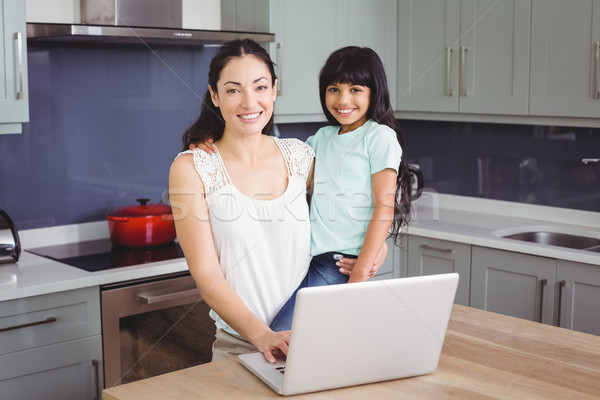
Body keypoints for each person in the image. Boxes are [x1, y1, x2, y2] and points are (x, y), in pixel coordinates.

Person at [169, 39, 382, 364]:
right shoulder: (192, 168)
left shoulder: (301, 157)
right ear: (214, 95)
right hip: (240, 348)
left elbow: (360, 210)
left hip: (314, 339)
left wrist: (374, 252)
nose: (249, 101)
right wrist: (263, 337)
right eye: (233, 90)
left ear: (273, 91)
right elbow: (207, 276)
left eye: (259, 87)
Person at [197, 45, 411, 332]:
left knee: (280, 340)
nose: (343, 99)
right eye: (334, 89)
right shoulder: (321, 139)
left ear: (374, 92)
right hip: (312, 259)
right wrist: (211, 140)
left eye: (356, 89)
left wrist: (361, 272)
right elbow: (281, 170)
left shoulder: (379, 136)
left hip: (340, 265)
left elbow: (384, 207)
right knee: (295, 346)